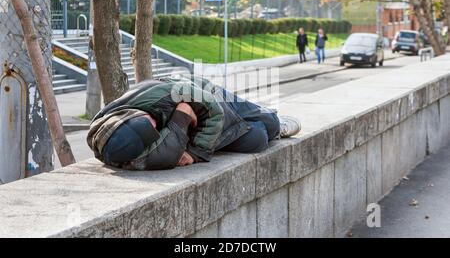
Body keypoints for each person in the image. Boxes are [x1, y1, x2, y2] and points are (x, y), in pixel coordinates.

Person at [87, 77, 301, 170]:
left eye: (147, 120)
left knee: (269, 123)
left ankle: (275, 122)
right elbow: (162, 154)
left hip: (208, 96)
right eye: (153, 130)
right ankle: (264, 128)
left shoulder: (159, 96)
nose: (153, 122)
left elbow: (213, 110)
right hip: (190, 128)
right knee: (258, 139)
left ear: (129, 115)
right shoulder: (117, 148)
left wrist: (194, 153)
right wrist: (183, 116)